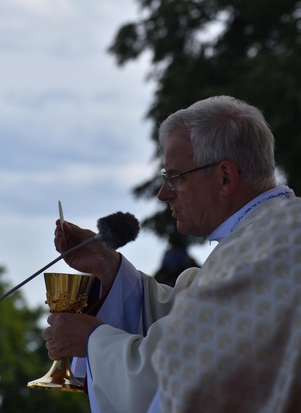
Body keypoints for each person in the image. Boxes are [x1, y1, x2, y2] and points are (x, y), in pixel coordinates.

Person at [42, 95, 301, 413]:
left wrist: (93, 341)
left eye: (174, 177)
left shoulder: (265, 250)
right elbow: (189, 325)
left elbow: (176, 374)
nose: (164, 194)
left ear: (225, 177)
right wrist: (108, 266)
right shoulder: (261, 237)